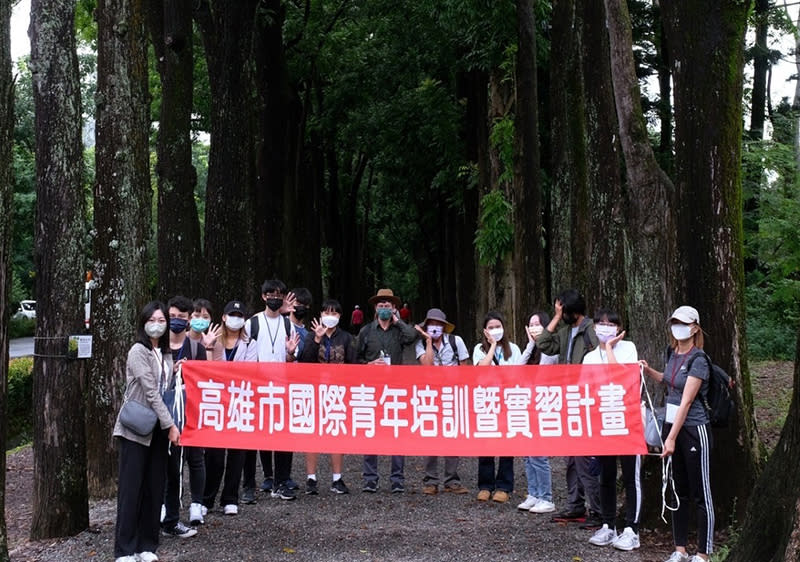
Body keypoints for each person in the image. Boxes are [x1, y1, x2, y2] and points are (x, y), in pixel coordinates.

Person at [641, 306, 714, 562]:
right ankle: (680, 549)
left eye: (683, 323)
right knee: (677, 488)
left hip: (694, 430)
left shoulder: (699, 360)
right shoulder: (672, 353)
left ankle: (703, 554)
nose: (677, 327)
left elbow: (686, 401)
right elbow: (671, 382)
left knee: (700, 492)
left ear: (695, 327)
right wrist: (649, 372)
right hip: (673, 428)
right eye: (674, 322)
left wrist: (671, 438)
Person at [113, 301, 181, 562]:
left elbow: (165, 388)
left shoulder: (165, 354)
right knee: (132, 489)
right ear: (143, 322)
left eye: (162, 320)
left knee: (155, 487)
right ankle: (125, 549)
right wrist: (171, 425)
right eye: (152, 319)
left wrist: (176, 372)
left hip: (158, 433)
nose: (157, 324)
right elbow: (151, 392)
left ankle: (147, 545)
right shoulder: (137, 351)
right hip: (137, 430)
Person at [535, 289, 601, 527]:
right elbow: (543, 344)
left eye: (562, 310)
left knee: (586, 459)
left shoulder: (591, 331)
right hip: (569, 401)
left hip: (587, 402)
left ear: (574, 311)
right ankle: (575, 505)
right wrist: (554, 318)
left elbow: (600, 358)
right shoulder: (564, 332)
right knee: (571, 459)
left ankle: (597, 510)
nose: (560, 314)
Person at [582, 309, 641, 551]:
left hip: (628, 422)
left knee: (630, 475)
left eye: (611, 323)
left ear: (619, 327)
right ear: (594, 327)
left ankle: (632, 529)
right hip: (602, 422)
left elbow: (622, 378)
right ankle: (608, 525)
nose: (606, 327)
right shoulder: (589, 358)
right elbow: (586, 389)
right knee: (606, 476)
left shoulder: (628, 348)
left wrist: (609, 349)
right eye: (601, 323)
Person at [161, 296, 218, 535]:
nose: (176, 321)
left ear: (188, 321)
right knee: (166, 461)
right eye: (172, 317)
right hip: (164, 411)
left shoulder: (195, 346)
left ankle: (196, 504)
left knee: (195, 457)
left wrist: (210, 349)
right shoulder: (159, 346)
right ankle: (164, 506)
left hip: (191, 409)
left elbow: (210, 377)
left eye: (181, 318)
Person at [241, 280, 300, 503]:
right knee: (252, 439)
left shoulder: (288, 325)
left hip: (281, 389)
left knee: (283, 437)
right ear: (263, 296)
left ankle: (281, 482)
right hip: (256, 389)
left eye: (279, 294)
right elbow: (243, 356)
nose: (275, 298)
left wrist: (291, 354)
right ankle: (248, 486)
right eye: (271, 294)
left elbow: (292, 360)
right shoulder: (252, 324)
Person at [356, 288, 418, 493]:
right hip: (372, 389)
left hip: (395, 389)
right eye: (381, 306)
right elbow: (356, 359)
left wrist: (398, 321)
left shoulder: (399, 331)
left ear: (393, 309)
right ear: (375, 308)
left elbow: (413, 336)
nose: (384, 309)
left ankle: (397, 479)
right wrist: (369, 365)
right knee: (370, 433)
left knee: (396, 433)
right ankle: (370, 478)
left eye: (388, 306)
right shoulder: (366, 331)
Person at [202, 300, 256, 516]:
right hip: (216, 402)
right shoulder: (213, 341)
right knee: (214, 455)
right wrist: (208, 348)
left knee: (237, 453)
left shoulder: (250, 343)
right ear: (223, 317)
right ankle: (207, 498)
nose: (235, 318)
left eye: (239, 315)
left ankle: (230, 498)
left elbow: (249, 372)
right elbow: (207, 372)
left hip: (240, 402)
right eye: (231, 314)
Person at [299, 298, 356, 495]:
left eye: (334, 313)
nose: (330, 316)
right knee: (313, 435)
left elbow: (354, 364)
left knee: (336, 434)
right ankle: (311, 478)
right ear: (321, 315)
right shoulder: (311, 336)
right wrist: (316, 340)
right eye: (326, 312)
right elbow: (304, 362)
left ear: (339, 316)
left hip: (339, 393)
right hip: (315, 391)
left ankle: (337, 479)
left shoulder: (347, 338)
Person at [414, 308, 470, 495]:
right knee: (430, 437)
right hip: (430, 395)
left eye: (439, 325)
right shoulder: (420, 344)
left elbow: (465, 367)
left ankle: (452, 480)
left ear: (444, 327)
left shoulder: (457, 342)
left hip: (452, 395)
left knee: (451, 436)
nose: (435, 328)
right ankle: (430, 480)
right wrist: (429, 342)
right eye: (432, 324)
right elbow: (427, 365)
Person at [472, 311, 521, 503]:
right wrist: (492, 345)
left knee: (507, 445)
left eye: (497, 326)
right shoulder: (479, 349)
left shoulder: (514, 349)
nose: (495, 330)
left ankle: (504, 486)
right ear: (485, 331)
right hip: (486, 399)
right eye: (491, 327)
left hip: (508, 400)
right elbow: (481, 370)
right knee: (486, 443)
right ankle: (485, 485)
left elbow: (518, 373)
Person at [517, 311, 559, 515]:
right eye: (530, 324)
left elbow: (542, 372)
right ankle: (533, 493)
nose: (533, 327)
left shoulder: (551, 350)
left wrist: (539, 342)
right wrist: (531, 343)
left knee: (538, 454)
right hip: (527, 404)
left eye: (537, 324)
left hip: (544, 404)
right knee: (527, 453)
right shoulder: (532, 349)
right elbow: (519, 367)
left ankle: (546, 497)